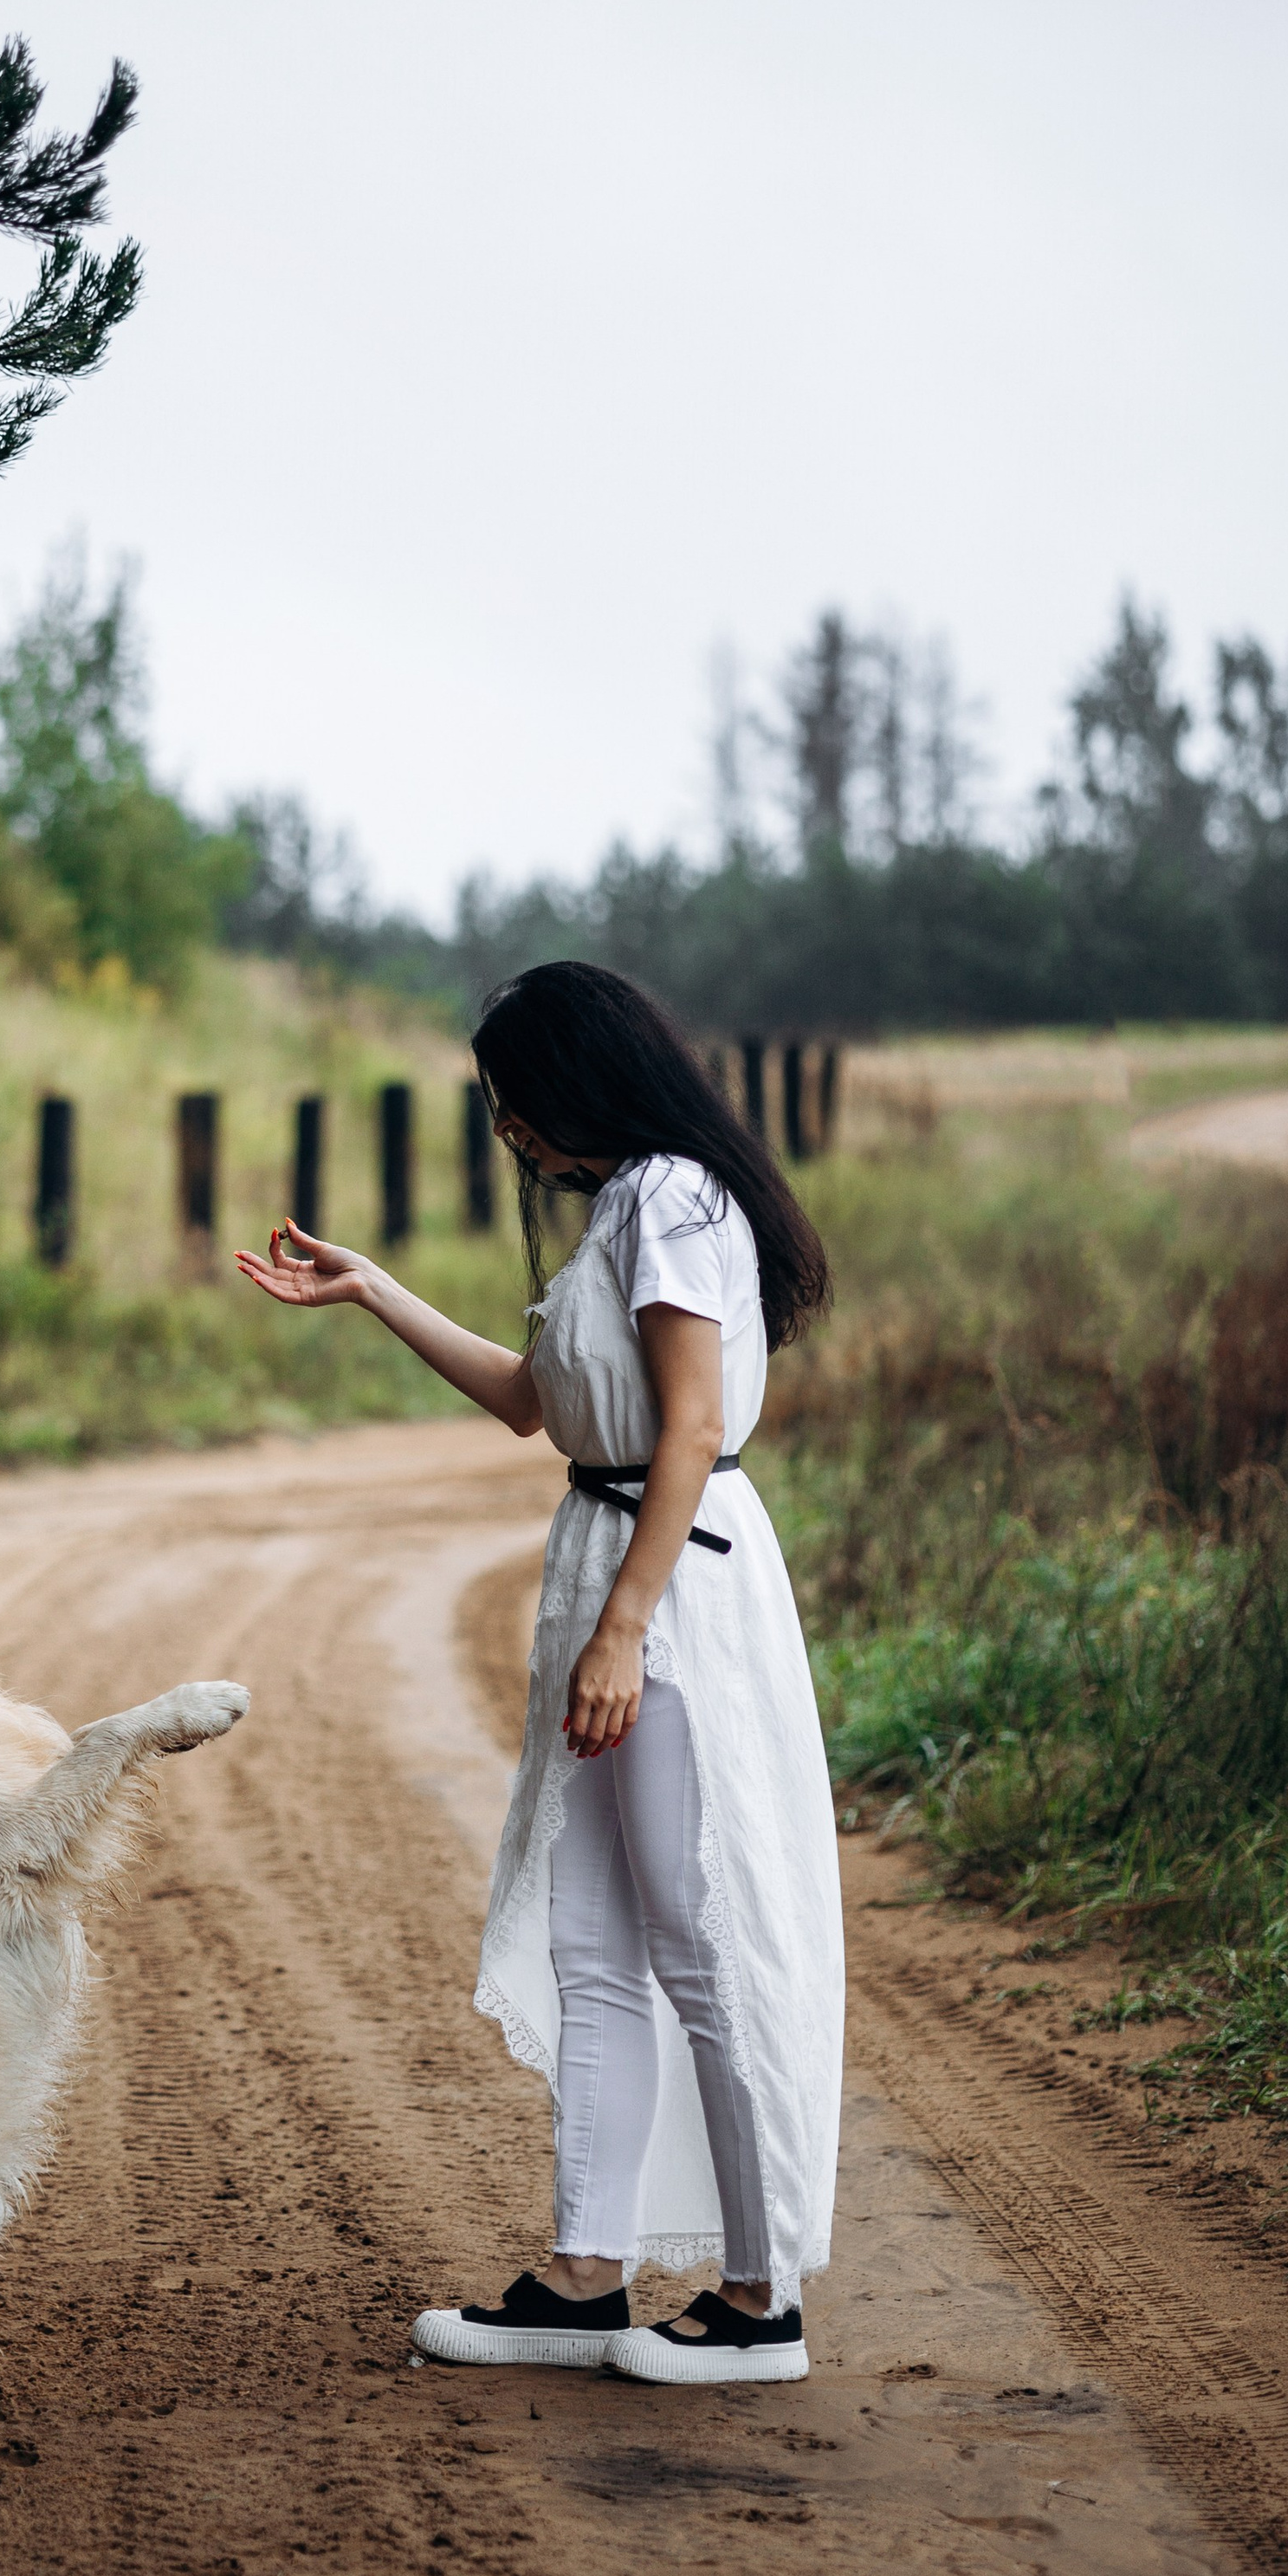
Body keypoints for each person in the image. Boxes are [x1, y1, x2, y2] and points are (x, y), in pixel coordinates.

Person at [235, 960, 845, 2385]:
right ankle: (584, 2278)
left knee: (700, 1942)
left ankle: (762, 2308)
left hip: (671, 1585)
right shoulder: (629, 1206)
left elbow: (687, 1429)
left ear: (580, 1079)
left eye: (515, 1098)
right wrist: (374, 1290)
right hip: (614, 1564)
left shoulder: (678, 1200)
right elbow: (532, 1404)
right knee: (595, 1947)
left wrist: (627, 1627)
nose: (506, 1128)